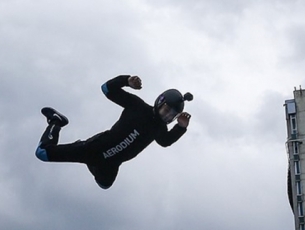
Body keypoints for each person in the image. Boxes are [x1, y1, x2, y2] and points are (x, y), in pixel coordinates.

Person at [35, 74, 192, 189]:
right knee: (42, 153)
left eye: (172, 115)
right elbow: (107, 89)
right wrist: (126, 81)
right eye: (166, 110)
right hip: (95, 148)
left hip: (111, 163)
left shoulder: (160, 128)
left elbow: (165, 141)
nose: (167, 116)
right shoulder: (138, 107)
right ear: (160, 102)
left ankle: (87, 158)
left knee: (104, 184)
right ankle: (56, 121)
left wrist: (180, 127)